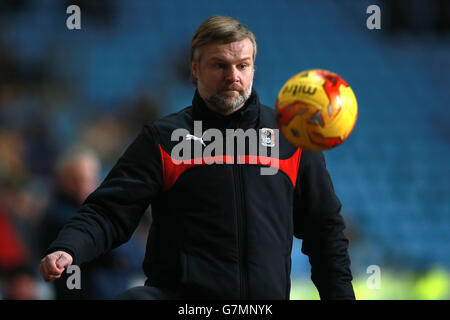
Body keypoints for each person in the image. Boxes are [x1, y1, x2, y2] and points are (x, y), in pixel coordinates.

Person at [40, 16, 355, 300]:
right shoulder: (163, 139)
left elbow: (324, 231)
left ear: (253, 68)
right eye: (220, 65)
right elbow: (109, 210)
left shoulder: (292, 138)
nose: (233, 76)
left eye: (242, 66)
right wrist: (69, 247)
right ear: (195, 69)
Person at [40, 146, 145, 299]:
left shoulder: (105, 211)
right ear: (62, 179)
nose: (84, 185)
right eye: (76, 178)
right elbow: (113, 251)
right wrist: (116, 253)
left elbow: (137, 256)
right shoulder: (57, 215)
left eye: (90, 178)